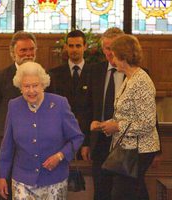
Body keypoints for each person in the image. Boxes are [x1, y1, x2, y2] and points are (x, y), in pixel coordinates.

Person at [0, 61, 84, 200]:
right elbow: (7, 145)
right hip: (22, 180)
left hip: (54, 179)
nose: (31, 91)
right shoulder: (14, 106)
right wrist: (2, 176)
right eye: (26, 86)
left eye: (35, 85)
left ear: (43, 85)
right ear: (20, 87)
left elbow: (77, 137)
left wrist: (60, 156)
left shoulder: (60, 104)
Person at [98, 34, 160, 200]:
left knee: (122, 194)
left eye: (114, 56)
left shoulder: (141, 81)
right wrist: (108, 124)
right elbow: (126, 113)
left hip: (139, 149)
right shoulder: (129, 78)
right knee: (136, 192)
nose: (112, 61)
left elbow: (148, 122)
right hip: (128, 147)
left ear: (123, 57)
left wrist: (117, 126)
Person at [0, 31, 37, 200]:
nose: (28, 54)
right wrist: (4, 130)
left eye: (31, 49)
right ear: (13, 52)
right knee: (3, 195)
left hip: (34, 150)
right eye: (23, 50)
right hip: (4, 148)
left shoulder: (45, 77)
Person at [81, 27, 125, 200]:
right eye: (106, 48)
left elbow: (149, 114)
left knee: (124, 191)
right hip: (99, 142)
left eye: (113, 47)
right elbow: (87, 109)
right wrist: (85, 142)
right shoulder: (95, 71)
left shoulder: (137, 73)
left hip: (125, 142)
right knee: (101, 191)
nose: (110, 52)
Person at [47, 30, 92, 159]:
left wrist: (87, 142)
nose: (74, 50)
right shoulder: (54, 74)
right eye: (71, 46)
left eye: (78, 46)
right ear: (65, 47)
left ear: (85, 46)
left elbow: (94, 109)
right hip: (61, 138)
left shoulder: (94, 73)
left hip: (86, 135)